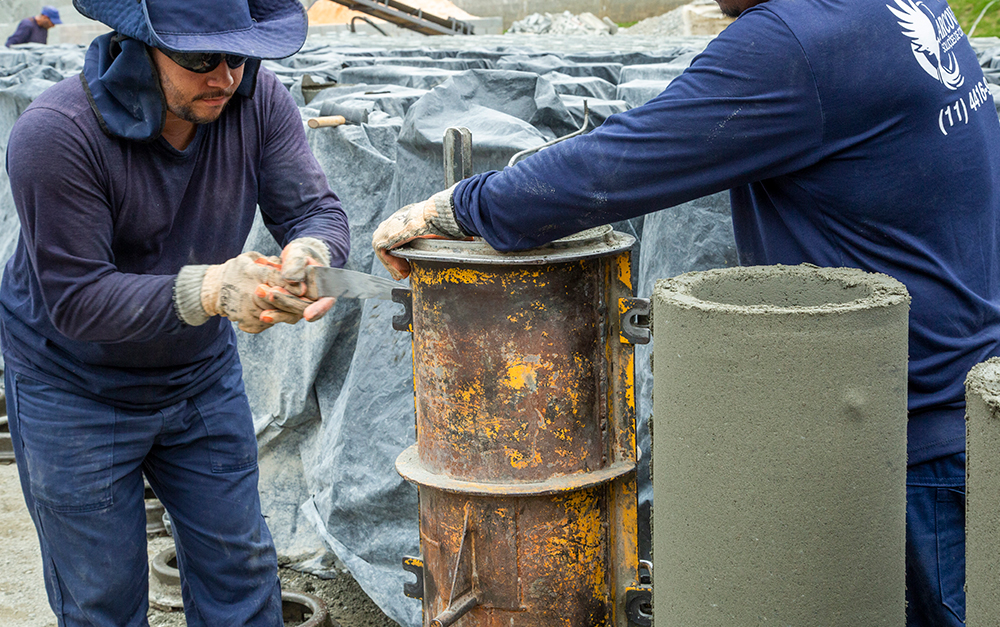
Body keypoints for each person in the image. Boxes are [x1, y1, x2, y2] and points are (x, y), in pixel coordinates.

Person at [373, 0, 1000, 624]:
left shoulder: (793, 41)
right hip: (961, 390)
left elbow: (617, 164)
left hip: (910, 433)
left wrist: (457, 208)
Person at [1, 0, 348, 625]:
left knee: (240, 570)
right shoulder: (56, 133)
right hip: (74, 386)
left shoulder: (255, 101)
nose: (225, 77)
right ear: (140, 46)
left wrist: (312, 250)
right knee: (101, 598)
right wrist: (212, 290)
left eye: (239, 56)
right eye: (198, 59)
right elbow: (78, 301)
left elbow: (312, 208)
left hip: (196, 376)